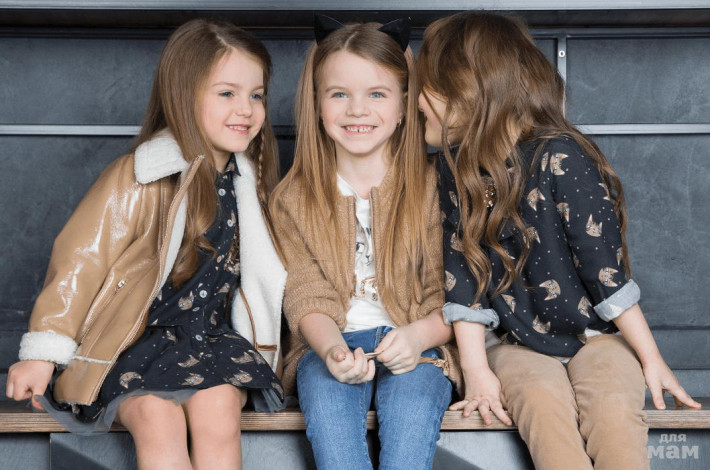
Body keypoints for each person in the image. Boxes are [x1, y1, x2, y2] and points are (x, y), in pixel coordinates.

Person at [417, 11, 701, 470]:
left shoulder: (560, 156)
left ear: (469, 88)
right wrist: (477, 371)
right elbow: (462, 281)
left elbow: (605, 272)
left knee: (614, 417)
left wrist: (652, 359)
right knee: (543, 412)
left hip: (596, 339)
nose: (415, 100)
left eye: (427, 86)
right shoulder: (453, 172)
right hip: (515, 345)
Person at [5, 19, 286, 469]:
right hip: (132, 344)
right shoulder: (142, 176)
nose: (246, 110)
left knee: (219, 410)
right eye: (227, 93)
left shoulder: (249, 184)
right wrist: (42, 355)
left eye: (257, 95)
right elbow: (81, 262)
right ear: (183, 95)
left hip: (211, 341)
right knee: (158, 418)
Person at [269, 16, 460, 470]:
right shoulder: (292, 199)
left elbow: (456, 292)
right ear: (317, 103)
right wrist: (333, 351)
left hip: (419, 342)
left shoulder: (438, 186)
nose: (357, 110)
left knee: (410, 431)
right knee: (333, 434)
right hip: (329, 344)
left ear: (405, 105)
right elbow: (305, 294)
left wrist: (418, 336)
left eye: (377, 94)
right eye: (339, 94)